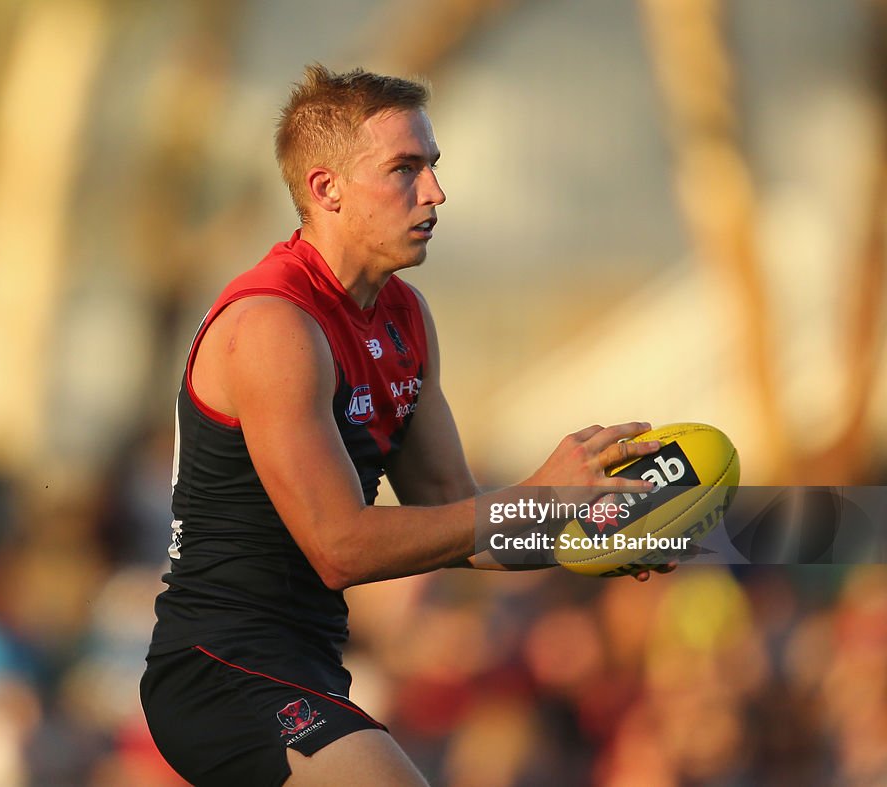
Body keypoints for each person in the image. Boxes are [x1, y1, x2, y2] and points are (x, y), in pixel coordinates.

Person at [141, 63, 664, 786]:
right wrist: (541, 497)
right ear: (326, 188)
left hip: (309, 665)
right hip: (219, 670)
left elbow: (458, 519)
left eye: (433, 166)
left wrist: (590, 532)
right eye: (405, 168)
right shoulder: (273, 325)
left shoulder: (405, 316)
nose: (436, 191)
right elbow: (340, 547)